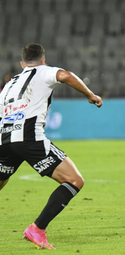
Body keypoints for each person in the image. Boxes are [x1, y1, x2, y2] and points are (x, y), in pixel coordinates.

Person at [0, 44, 103, 249]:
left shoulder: (11, 83)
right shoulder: (43, 71)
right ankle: (37, 229)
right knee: (74, 180)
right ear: (43, 60)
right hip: (29, 138)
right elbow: (64, 75)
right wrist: (90, 95)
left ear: (22, 64)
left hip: (3, 139)